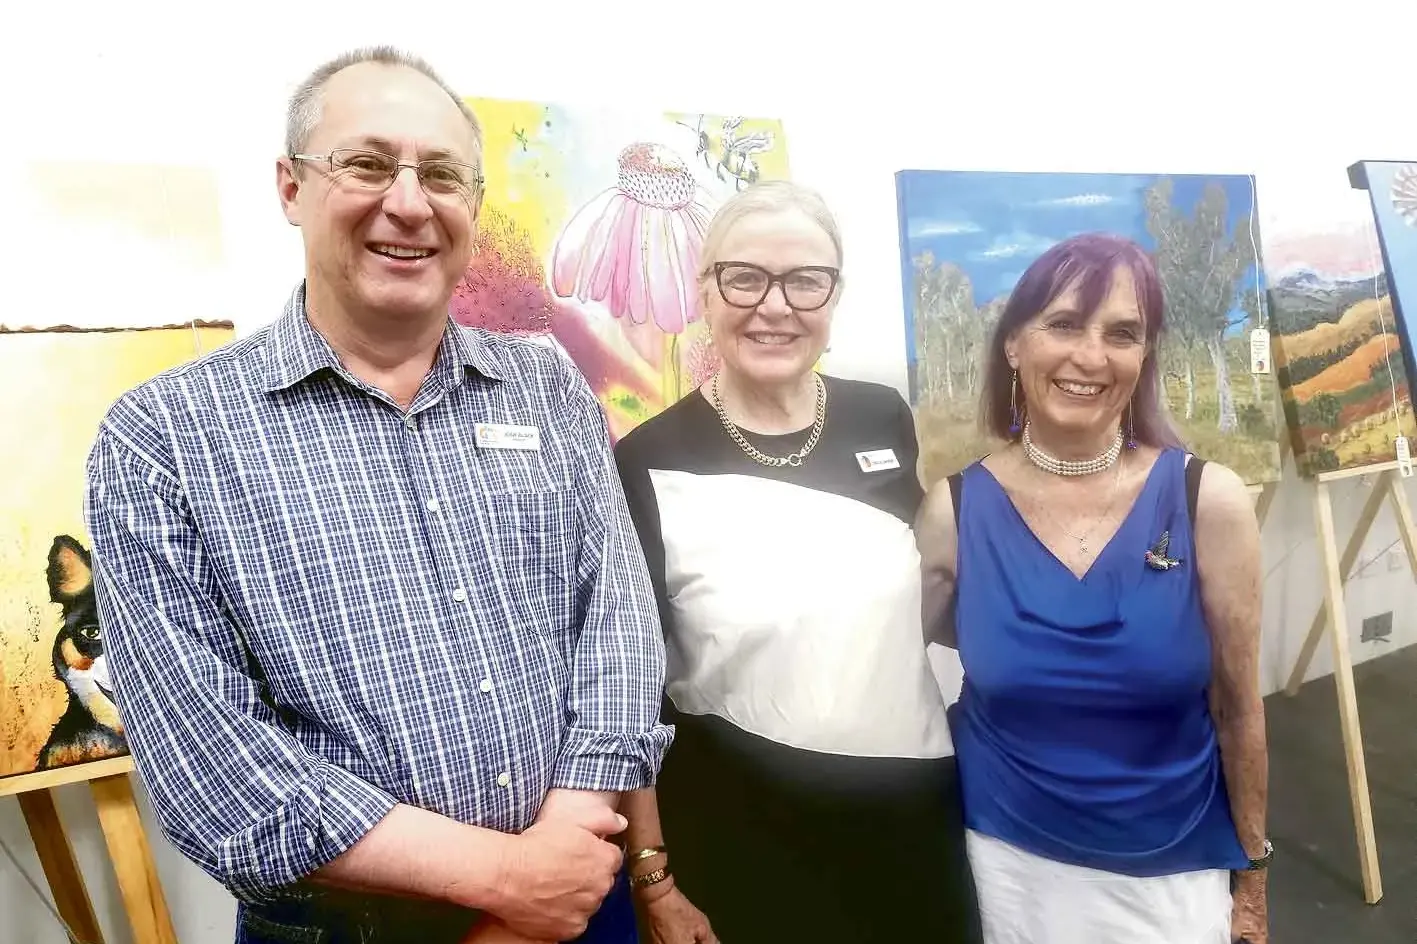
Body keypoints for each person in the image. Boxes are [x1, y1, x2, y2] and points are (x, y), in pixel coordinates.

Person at [82, 46, 671, 944]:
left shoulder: (548, 389)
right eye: (365, 163)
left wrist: (562, 844)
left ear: (471, 204)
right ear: (289, 187)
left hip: (578, 890)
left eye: (441, 174)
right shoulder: (164, 437)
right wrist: (508, 879)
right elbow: (210, 756)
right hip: (346, 927)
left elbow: (617, 625)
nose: (408, 202)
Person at [611, 180, 984, 943]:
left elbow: (932, 595)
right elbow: (629, 689)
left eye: (804, 280)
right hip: (740, 829)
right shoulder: (646, 460)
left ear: (833, 294)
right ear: (705, 291)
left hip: (907, 810)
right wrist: (652, 877)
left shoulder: (881, 416)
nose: (774, 306)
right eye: (743, 277)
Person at [916, 232, 1270, 944]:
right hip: (1009, 861)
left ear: (1143, 357)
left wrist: (1252, 882)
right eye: (1063, 324)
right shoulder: (952, 513)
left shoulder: (1208, 500)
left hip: (1173, 865)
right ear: (1014, 343)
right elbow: (892, 674)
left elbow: (1238, 709)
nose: (1090, 355)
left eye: (1121, 333)